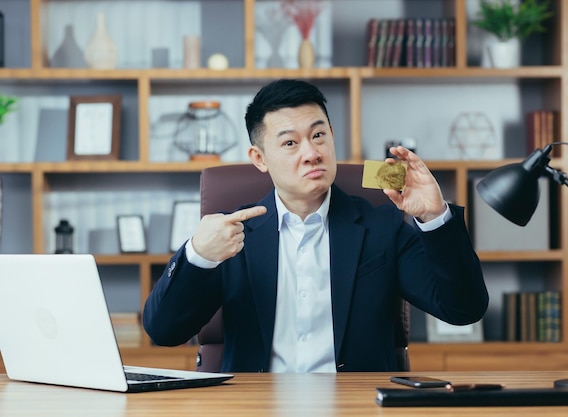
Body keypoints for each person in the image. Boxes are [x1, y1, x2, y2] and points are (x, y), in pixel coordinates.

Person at [143, 79, 488, 373]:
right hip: (256, 406)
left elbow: (463, 309)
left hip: (356, 407)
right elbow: (164, 330)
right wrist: (199, 255)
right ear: (260, 159)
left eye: (319, 135)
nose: (311, 153)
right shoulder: (234, 235)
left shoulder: (382, 226)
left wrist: (434, 216)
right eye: (290, 143)